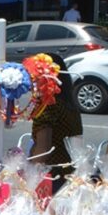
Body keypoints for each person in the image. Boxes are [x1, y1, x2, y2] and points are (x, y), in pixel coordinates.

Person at [30, 53, 83, 193]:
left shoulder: (48, 105)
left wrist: (28, 175)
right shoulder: (69, 104)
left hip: (51, 176)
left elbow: (44, 148)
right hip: (70, 173)